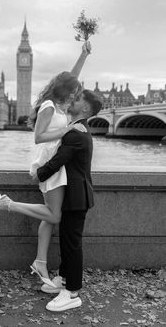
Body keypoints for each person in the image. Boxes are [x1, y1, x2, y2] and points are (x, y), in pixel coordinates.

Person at [0, 42, 91, 288]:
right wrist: (68, 129)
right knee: (55, 214)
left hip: (58, 162)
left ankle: (40, 262)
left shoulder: (58, 103)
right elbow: (38, 136)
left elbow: (71, 77)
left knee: (50, 217)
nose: (76, 95)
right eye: (73, 91)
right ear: (65, 90)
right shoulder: (49, 106)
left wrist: (83, 54)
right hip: (49, 162)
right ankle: (6, 204)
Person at [35, 89, 103, 312]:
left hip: (76, 196)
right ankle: (64, 279)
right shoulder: (77, 129)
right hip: (75, 195)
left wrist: (39, 173)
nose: (73, 99)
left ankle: (72, 292)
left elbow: (58, 160)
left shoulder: (76, 133)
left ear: (85, 108)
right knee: (66, 240)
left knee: (72, 245)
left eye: (78, 99)